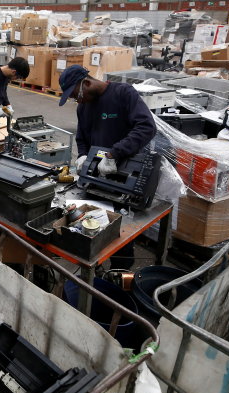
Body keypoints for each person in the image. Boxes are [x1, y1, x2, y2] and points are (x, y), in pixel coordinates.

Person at [58, 64, 156, 269]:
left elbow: (146, 127)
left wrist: (114, 153)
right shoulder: (83, 107)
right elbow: (82, 137)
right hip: (95, 178)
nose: (78, 100)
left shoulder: (123, 93)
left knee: (120, 231)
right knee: (93, 222)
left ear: (86, 83)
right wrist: (83, 156)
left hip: (121, 176)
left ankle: (120, 273)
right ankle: (94, 267)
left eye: (77, 95)